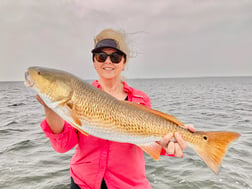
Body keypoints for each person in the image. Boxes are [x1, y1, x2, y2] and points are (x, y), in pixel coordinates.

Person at [36, 29, 195, 189]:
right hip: (84, 183)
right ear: (94, 62)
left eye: (116, 57)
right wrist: (49, 107)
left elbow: (153, 140)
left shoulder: (140, 100)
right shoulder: (79, 97)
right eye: (101, 57)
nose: (108, 62)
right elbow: (62, 146)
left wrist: (168, 143)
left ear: (124, 63)